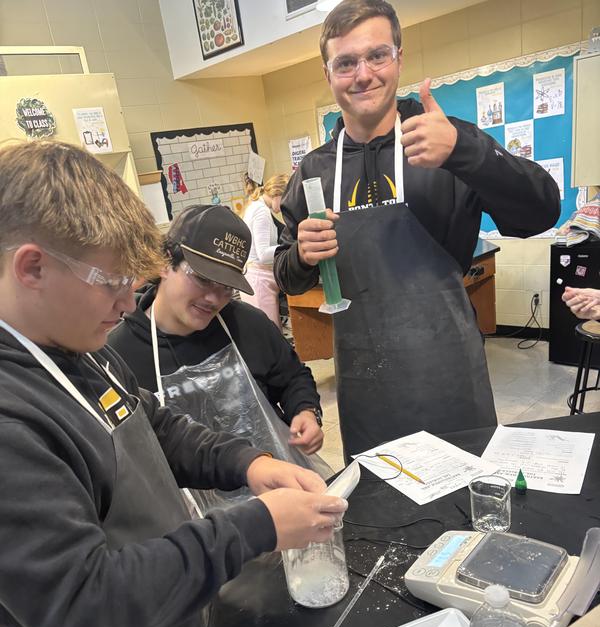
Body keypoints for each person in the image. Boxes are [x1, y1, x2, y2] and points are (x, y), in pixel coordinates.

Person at [0, 140, 346, 627]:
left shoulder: (73, 343)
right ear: (32, 267)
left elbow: (150, 423)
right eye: (111, 282)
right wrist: (252, 529)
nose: (129, 303)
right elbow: (84, 600)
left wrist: (249, 463)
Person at [274, 0, 561, 461]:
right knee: (382, 522)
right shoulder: (314, 171)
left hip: (450, 383)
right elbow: (287, 276)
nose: (362, 74)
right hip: (365, 392)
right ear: (328, 75)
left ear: (399, 59)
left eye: (376, 56)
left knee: (465, 518)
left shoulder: (448, 139)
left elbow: (541, 210)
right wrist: (302, 255)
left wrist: (465, 151)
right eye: (345, 63)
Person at [108, 204, 324, 462]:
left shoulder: (248, 325)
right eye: (201, 278)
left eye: (226, 287)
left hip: (277, 487)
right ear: (165, 262)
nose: (213, 298)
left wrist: (305, 411)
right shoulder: (118, 356)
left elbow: (292, 377)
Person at [242, 174, 290, 329]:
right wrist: (290, 247)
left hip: (257, 278)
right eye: (286, 199)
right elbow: (263, 255)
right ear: (277, 194)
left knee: (268, 331)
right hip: (259, 279)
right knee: (270, 332)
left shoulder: (256, 206)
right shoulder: (261, 211)